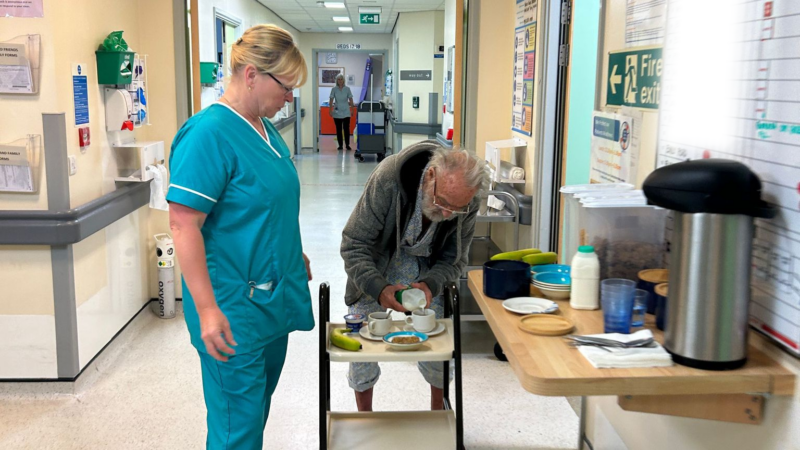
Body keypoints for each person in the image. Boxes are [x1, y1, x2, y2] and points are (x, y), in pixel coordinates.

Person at [166, 24, 313, 450]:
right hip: (231, 308)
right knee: (236, 428)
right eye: (286, 87)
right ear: (251, 75)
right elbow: (183, 224)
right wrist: (207, 309)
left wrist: (290, 250)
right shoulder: (208, 134)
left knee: (255, 411)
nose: (290, 98)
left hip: (270, 298)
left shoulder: (264, 130)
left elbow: (266, 203)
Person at [341, 141, 489, 411]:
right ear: (430, 175)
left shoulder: (466, 201)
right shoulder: (389, 178)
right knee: (362, 335)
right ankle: (365, 417)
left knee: (438, 335)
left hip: (426, 264)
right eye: (442, 202)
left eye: (455, 209)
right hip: (378, 257)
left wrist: (432, 284)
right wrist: (379, 288)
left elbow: (454, 259)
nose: (446, 214)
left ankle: (438, 412)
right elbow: (353, 245)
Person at [329, 73, 354, 150]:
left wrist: (352, 109)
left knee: (346, 129)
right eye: (338, 79)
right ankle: (340, 145)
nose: (340, 81)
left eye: (341, 79)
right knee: (338, 129)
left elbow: (351, 99)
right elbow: (331, 100)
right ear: (337, 81)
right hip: (337, 112)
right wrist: (330, 110)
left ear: (343, 80)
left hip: (346, 111)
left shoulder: (347, 89)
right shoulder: (334, 89)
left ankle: (347, 145)